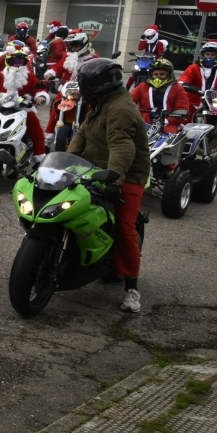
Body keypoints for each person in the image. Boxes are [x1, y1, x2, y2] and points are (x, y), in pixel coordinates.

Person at [67, 59, 151, 313]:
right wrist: (65, 164)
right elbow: (82, 134)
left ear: (98, 85)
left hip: (128, 175)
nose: (81, 86)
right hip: (95, 168)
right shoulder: (102, 103)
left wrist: (114, 181)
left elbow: (122, 147)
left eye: (84, 83)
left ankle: (131, 288)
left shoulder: (120, 109)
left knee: (124, 229)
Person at [0, 48, 49, 178]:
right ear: (8, 62)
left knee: (37, 132)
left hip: (24, 110)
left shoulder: (30, 77)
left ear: (26, 63)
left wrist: (41, 97)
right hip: (0, 109)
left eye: (21, 62)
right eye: (14, 61)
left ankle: (39, 163)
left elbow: (39, 89)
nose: (17, 65)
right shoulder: (0, 76)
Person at [179, 40, 217, 117]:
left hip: (215, 103)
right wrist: (185, 85)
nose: (209, 57)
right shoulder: (193, 68)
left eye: (213, 54)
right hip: (193, 103)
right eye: (207, 54)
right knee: (183, 119)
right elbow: (183, 79)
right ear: (203, 55)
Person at [131, 59, 191, 134]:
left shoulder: (177, 88)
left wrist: (165, 121)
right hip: (143, 123)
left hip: (167, 125)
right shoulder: (142, 86)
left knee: (169, 139)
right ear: (151, 75)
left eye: (162, 74)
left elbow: (183, 110)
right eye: (155, 74)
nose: (158, 77)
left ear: (169, 74)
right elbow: (129, 101)